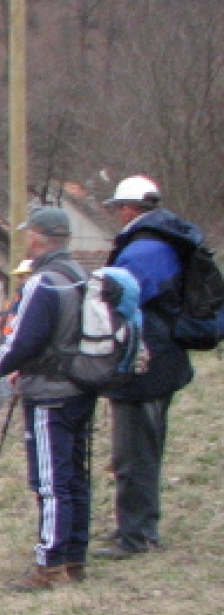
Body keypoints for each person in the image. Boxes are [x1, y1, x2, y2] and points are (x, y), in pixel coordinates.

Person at [0, 206, 95, 590]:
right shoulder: (79, 276)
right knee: (74, 476)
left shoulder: (44, 283)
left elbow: (21, 342)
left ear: (37, 237)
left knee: (51, 480)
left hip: (49, 391)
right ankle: (74, 558)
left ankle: (49, 565)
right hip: (81, 384)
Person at [96, 175, 199, 560]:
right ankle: (138, 526)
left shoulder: (144, 250)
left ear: (128, 208)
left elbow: (119, 300)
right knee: (144, 448)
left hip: (144, 364)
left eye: (118, 208)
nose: (117, 215)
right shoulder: (164, 241)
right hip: (163, 357)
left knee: (134, 453)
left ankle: (136, 535)